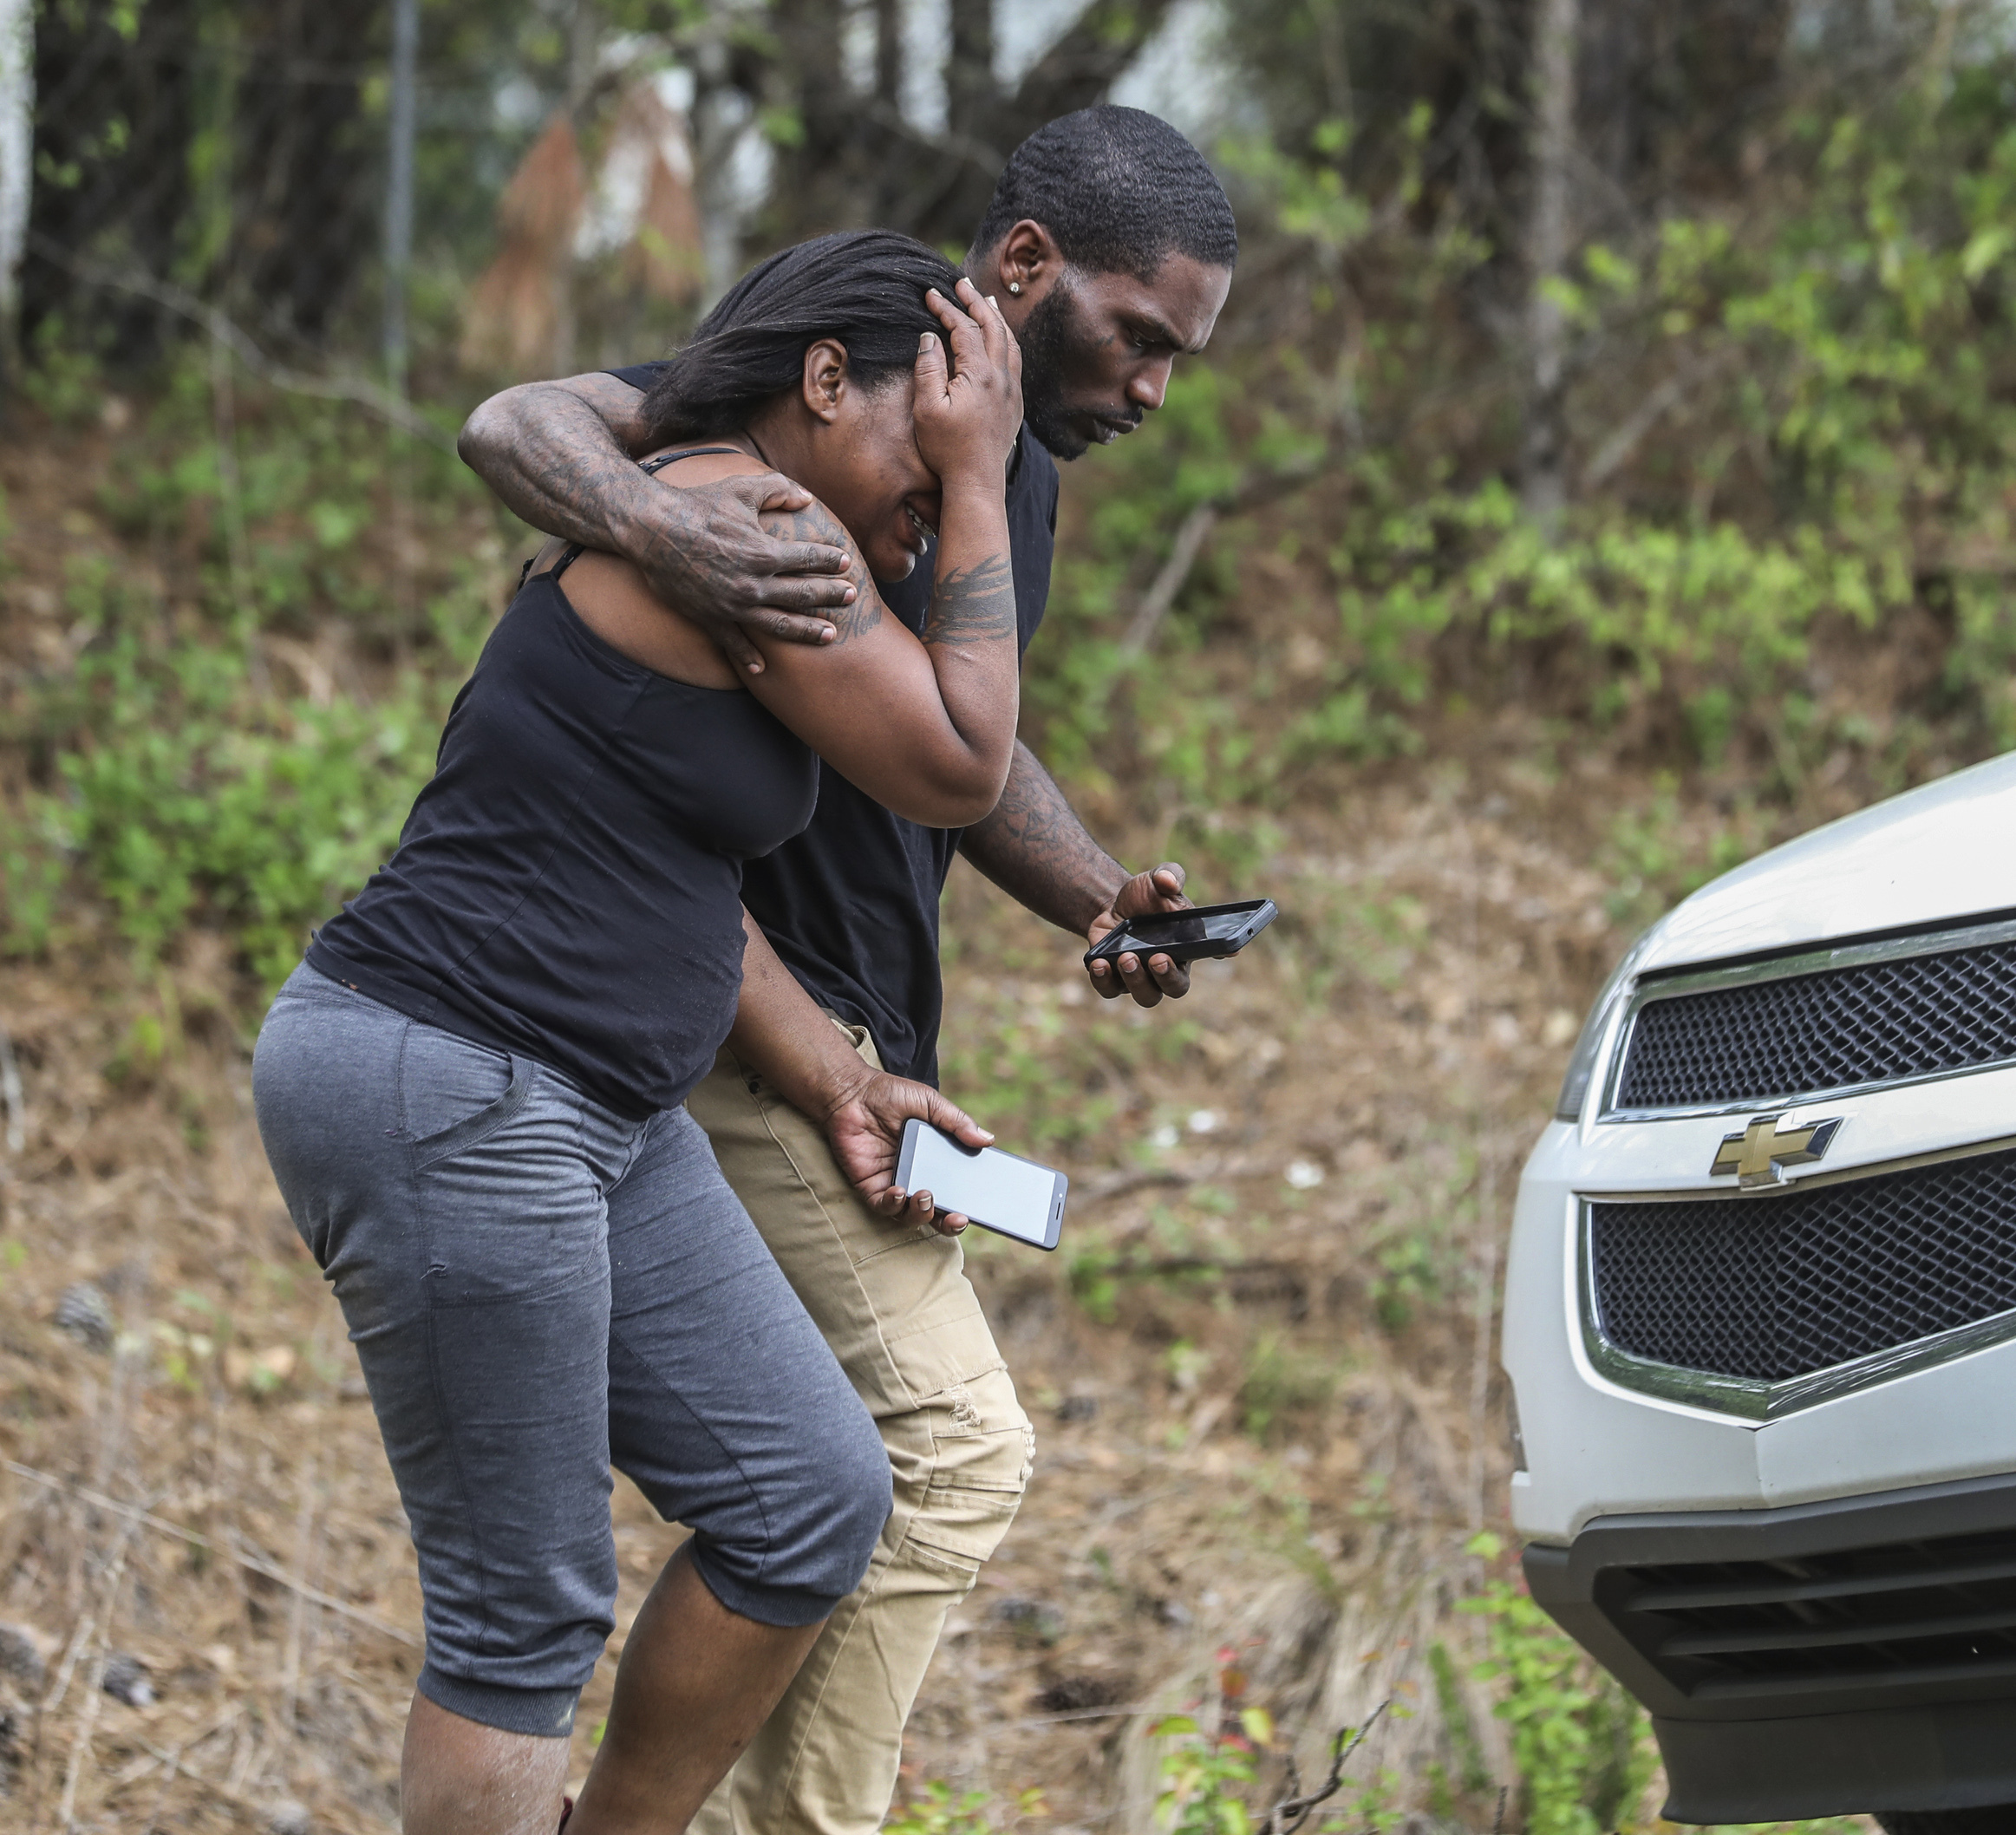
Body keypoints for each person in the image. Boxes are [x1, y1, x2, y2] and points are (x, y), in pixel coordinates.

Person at [458, 105, 1240, 1835]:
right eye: (1140, 338)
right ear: (1023, 266)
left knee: (818, 1479)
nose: (1155, 388)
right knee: (944, 1449)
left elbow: (958, 749)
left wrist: (1097, 890)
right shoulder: (840, 381)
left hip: (846, 1040)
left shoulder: (999, 469)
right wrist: (666, 535)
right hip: (745, 1017)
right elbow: (522, 419)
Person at [253, 235, 1026, 1835]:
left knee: (810, 1502)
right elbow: (960, 762)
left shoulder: (716, 516)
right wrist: (984, 472)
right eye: (924, 432)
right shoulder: (752, 516)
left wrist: (839, 1073)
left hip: (591, 1102)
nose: (942, 481)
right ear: (824, 384)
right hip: (450, 1071)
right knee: (522, 1618)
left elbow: (682, 888)